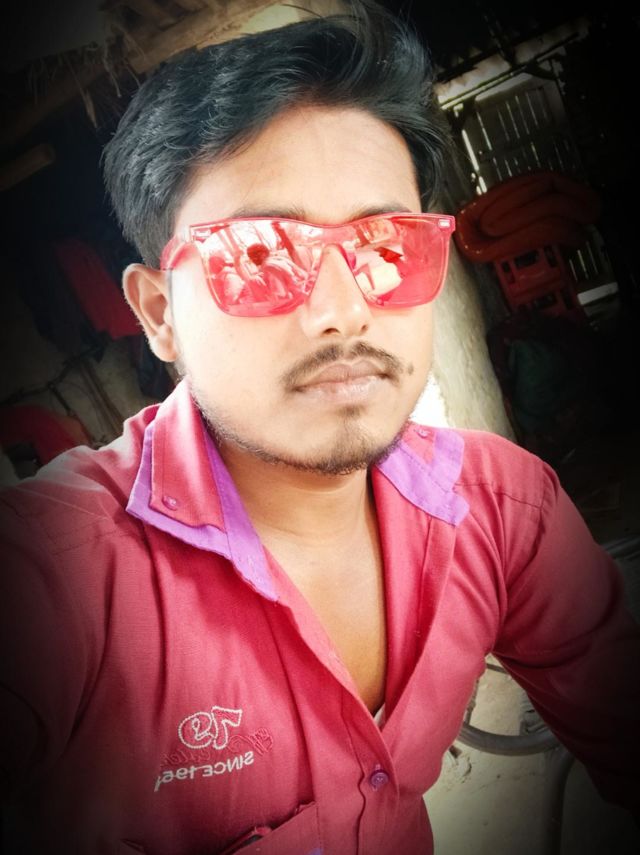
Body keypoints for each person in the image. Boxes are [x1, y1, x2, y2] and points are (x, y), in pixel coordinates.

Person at [1, 3, 639, 853]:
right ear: (159, 314)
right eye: (260, 255)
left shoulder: (505, 510)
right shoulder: (59, 581)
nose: (344, 310)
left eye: (388, 247)